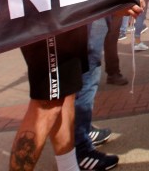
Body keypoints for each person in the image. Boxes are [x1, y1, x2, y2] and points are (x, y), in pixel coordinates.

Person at [9, 26, 89, 171]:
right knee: (47, 103)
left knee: (65, 93)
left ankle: (69, 168)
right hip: (49, 18)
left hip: (69, 16)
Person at [73, 17, 119, 170]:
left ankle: (83, 131)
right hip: (86, 13)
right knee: (88, 73)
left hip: (85, 12)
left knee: (88, 72)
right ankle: (81, 148)